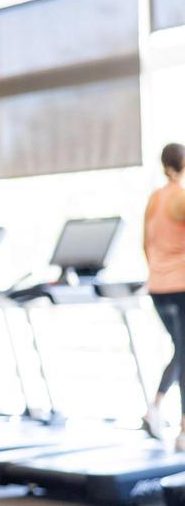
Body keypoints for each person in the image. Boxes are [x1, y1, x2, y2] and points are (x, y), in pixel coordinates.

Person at [142, 142, 185, 448]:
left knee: (181, 350)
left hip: (158, 287)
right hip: (181, 285)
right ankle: (181, 429)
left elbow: (146, 244)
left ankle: (155, 408)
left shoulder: (154, 199)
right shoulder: (180, 197)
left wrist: (159, 271)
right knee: (183, 351)